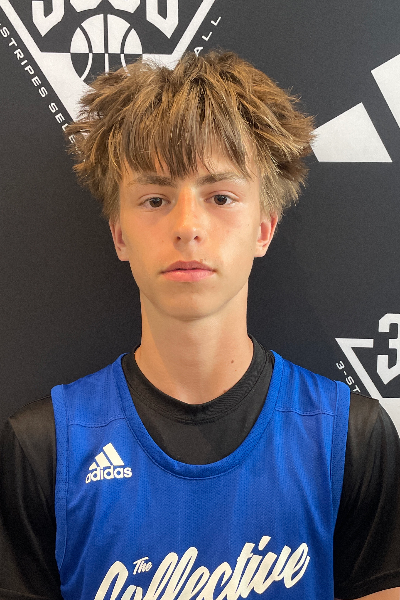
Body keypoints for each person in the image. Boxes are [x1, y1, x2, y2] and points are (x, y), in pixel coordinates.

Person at [0, 50, 399, 600]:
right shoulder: (43, 449)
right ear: (119, 234)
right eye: (155, 198)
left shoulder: (352, 440)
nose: (188, 225)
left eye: (221, 197)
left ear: (264, 228)